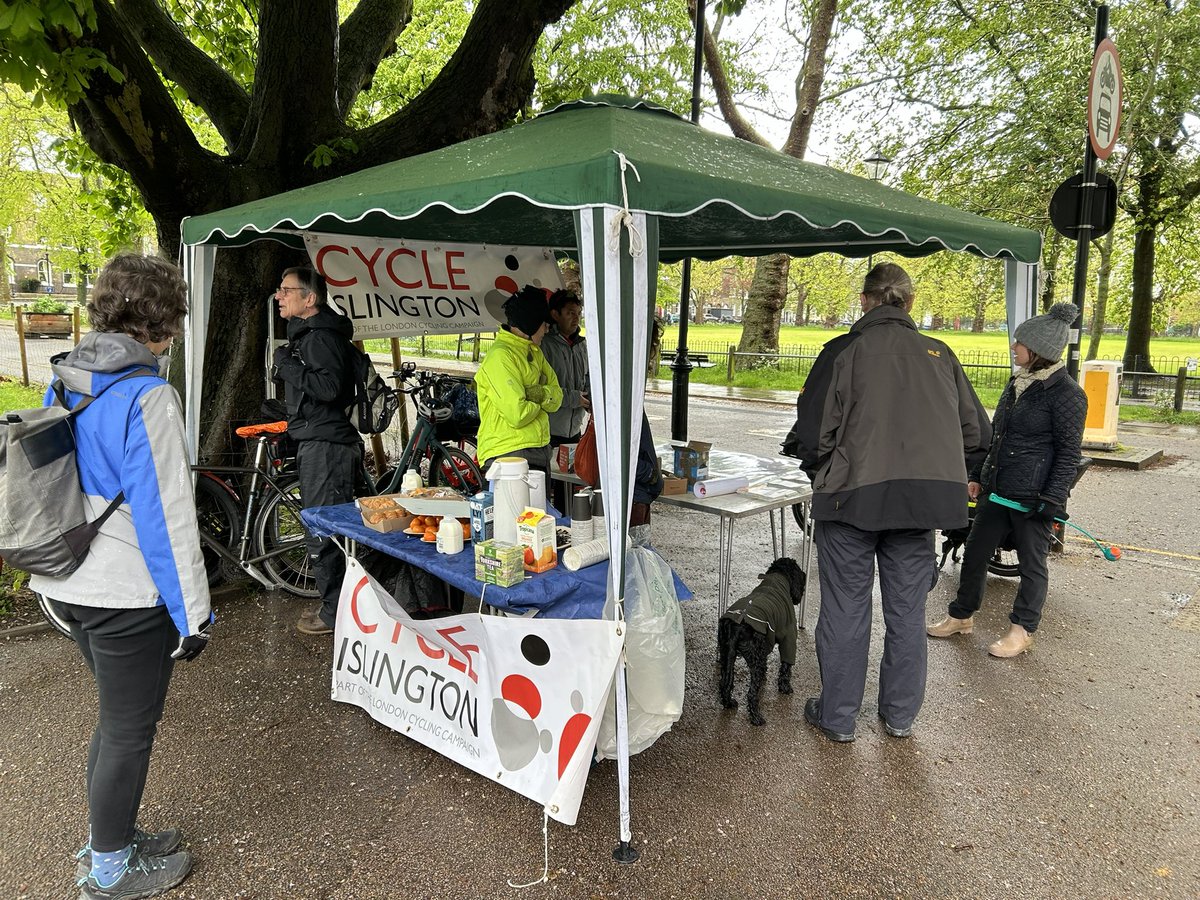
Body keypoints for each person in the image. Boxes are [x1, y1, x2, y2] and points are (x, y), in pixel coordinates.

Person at [31, 253, 211, 899]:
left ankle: (117, 836)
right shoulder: (148, 395)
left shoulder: (68, 375)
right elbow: (166, 517)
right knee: (127, 730)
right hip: (122, 591)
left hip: (65, 578)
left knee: (116, 724)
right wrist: (194, 615)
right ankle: (108, 870)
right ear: (162, 321)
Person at [788, 262, 990, 743]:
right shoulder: (940, 354)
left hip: (851, 499)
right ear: (910, 303)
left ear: (865, 300)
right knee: (906, 612)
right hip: (921, 504)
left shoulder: (843, 351)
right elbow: (978, 434)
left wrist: (823, 467)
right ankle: (899, 716)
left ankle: (837, 717)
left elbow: (814, 435)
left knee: (844, 607)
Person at [928, 301, 1087, 658]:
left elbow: (1067, 454)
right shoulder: (1018, 382)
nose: (1013, 347)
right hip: (998, 492)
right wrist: (978, 475)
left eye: (1019, 342)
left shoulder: (1068, 395)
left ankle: (1022, 629)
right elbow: (996, 435)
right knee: (975, 553)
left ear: (1039, 350)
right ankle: (961, 616)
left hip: (1033, 499)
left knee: (1033, 565)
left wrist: (1050, 498)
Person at [271, 266, 362, 636]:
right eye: (280, 289)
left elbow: (327, 389)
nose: (279, 296)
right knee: (325, 524)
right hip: (321, 440)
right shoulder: (310, 334)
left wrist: (287, 364)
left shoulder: (320, 337)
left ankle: (335, 613)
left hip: (327, 446)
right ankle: (336, 606)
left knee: (324, 528)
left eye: (286, 290)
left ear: (309, 299)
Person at [474, 285, 563, 474]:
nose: (547, 330)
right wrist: (542, 398)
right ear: (530, 323)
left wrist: (536, 393)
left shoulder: (535, 353)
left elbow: (557, 397)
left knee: (540, 505)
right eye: (544, 324)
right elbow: (518, 414)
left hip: (539, 450)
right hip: (506, 454)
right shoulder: (500, 357)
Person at [630, 317, 665, 530]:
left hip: (639, 489)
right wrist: (649, 474)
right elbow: (621, 450)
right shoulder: (625, 390)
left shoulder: (630, 385)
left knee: (637, 553)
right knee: (635, 553)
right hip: (635, 491)